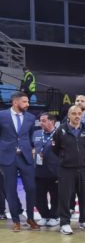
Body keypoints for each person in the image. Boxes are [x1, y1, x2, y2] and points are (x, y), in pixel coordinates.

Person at [52, 105, 85, 235]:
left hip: (84, 169)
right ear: (68, 115)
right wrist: (65, 158)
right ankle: (65, 223)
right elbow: (55, 149)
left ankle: (84, 220)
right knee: (65, 197)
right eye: (74, 114)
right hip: (66, 170)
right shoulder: (61, 130)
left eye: (79, 113)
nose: (77, 116)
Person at [0, 91, 39, 231]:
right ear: (15, 102)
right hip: (7, 157)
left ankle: (30, 218)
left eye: (28, 102)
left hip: (25, 157)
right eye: (25, 102)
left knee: (31, 188)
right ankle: (16, 220)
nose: (27, 104)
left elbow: (29, 136)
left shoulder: (30, 117)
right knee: (10, 190)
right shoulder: (2, 115)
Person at [33, 113, 60, 227]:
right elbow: (31, 146)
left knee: (56, 196)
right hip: (39, 171)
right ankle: (44, 216)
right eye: (40, 120)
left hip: (55, 171)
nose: (41, 123)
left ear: (52, 121)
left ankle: (55, 216)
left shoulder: (59, 134)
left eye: (43, 120)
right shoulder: (36, 133)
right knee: (38, 196)